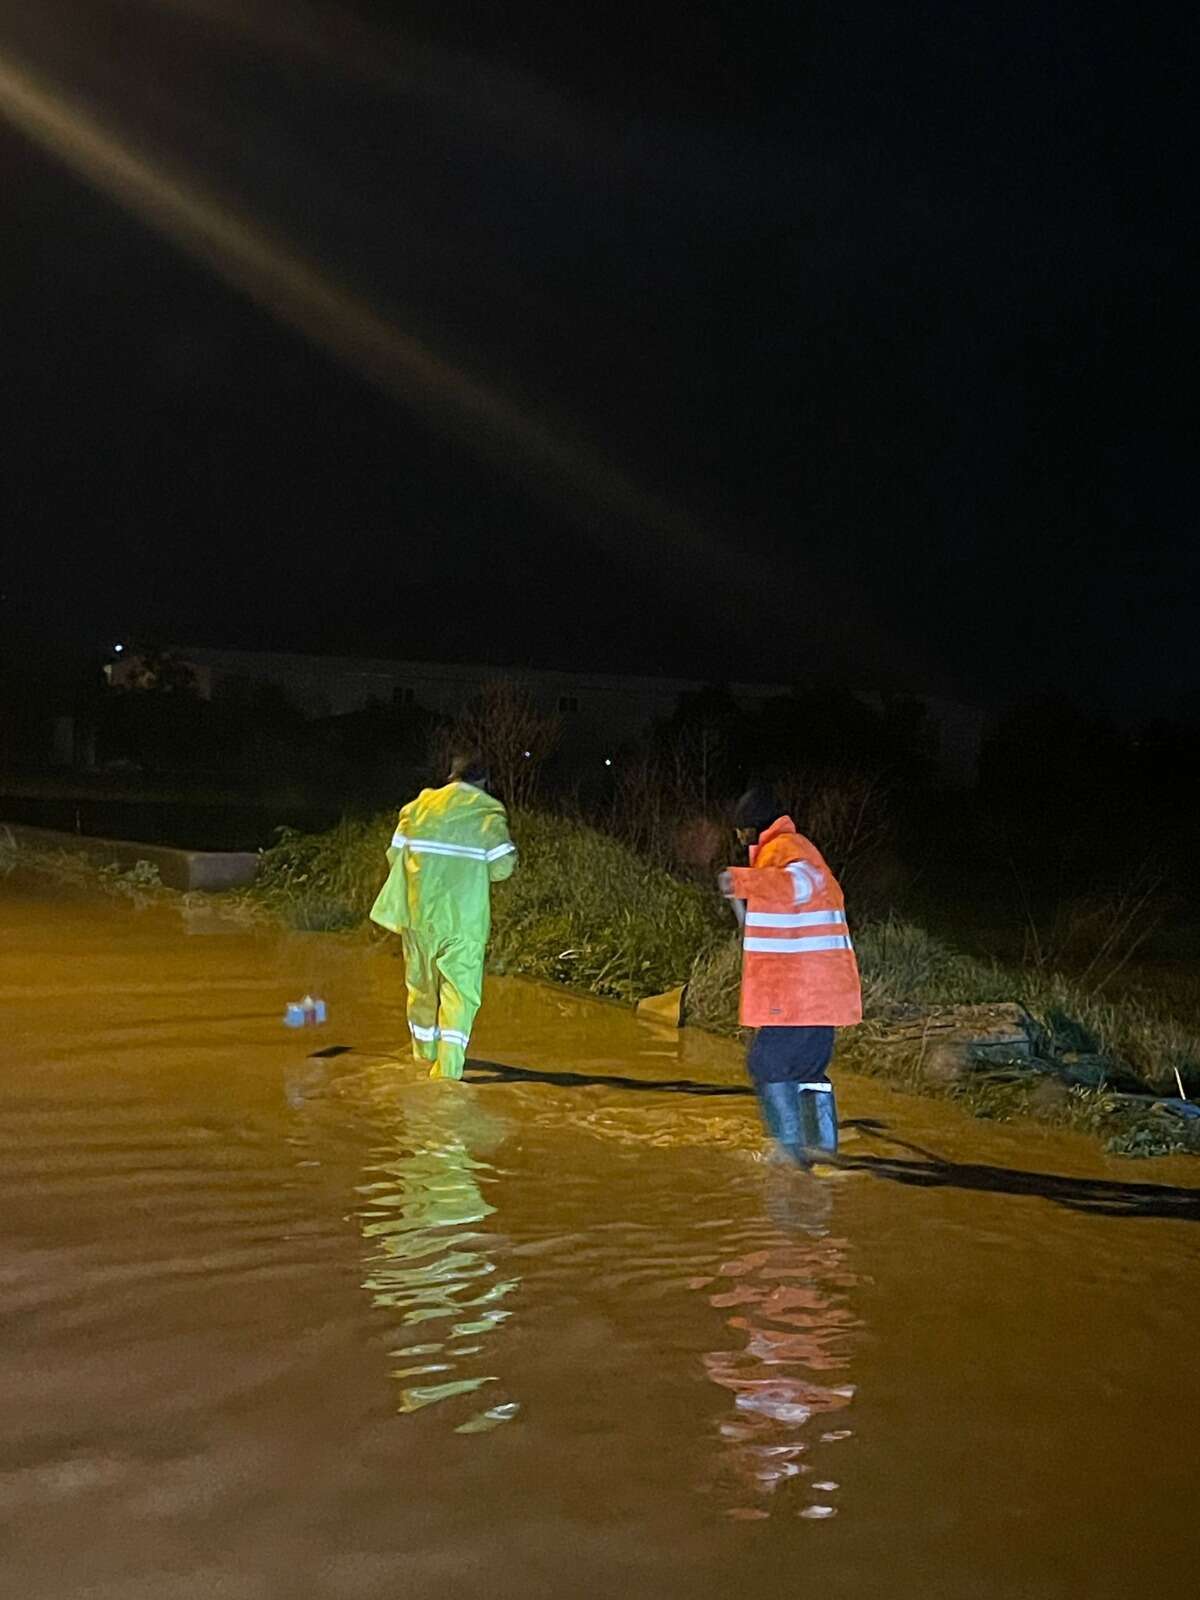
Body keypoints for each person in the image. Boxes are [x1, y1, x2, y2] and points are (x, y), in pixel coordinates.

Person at [718, 787, 861, 1164]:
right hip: (822, 991)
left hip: (800, 994)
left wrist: (741, 882)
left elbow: (799, 884)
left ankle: (788, 1155)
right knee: (809, 1071)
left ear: (750, 829)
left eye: (739, 832)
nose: (738, 839)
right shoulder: (793, 848)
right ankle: (824, 1154)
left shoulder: (784, 849)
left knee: (767, 1063)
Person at [370, 752, 517, 1080]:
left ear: (451, 776)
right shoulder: (487, 813)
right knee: (459, 994)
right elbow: (503, 868)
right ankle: (447, 1077)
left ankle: (422, 1059)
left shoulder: (417, 808)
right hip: (463, 922)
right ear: (483, 782)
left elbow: (395, 855)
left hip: (419, 917)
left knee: (421, 988)